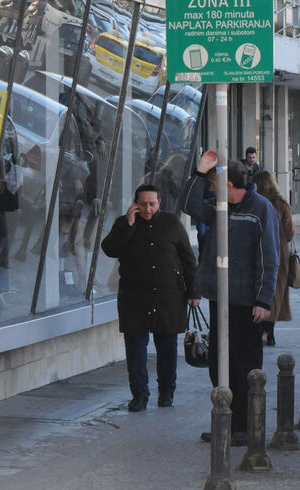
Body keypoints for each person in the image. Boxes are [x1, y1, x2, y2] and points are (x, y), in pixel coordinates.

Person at [185, 151, 279, 446]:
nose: (211, 190)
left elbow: (269, 257)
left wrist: (263, 300)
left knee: (244, 365)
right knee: (218, 364)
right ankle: (225, 422)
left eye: (214, 185)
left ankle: (246, 427)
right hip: (220, 296)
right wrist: (200, 173)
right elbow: (189, 205)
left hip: (247, 302)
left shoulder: (261, 209)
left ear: (228, 185)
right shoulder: (219, 207)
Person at [101, 184, 198, 412]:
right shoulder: (124, 224)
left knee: (167, 349)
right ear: (135, 204)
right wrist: (128, 224)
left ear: (159, 203)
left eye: (152, 204)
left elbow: (188, 260)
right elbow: (110, 249)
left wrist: (194, 292)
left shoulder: (172, 223)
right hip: (134, 299)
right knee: (136, 350)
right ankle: (139, 395)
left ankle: (166, 392)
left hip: (168, 297)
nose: (147, 209)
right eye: (143, 204)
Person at [251, 171, 295, 348]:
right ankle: (269, 332)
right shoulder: (281, 204)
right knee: (276, 291)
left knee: (258, 288)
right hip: (280, 252)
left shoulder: (253, 203)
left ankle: (259, 328)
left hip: (256, 249)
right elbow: (290, 233)